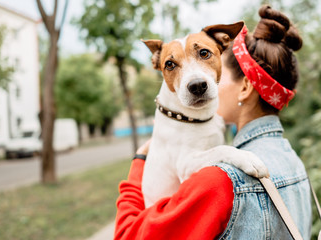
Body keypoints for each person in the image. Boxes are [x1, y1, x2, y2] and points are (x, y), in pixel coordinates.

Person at [114, 5, 312, 240]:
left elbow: (129, 235)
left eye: (210, 60)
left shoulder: (218, 179)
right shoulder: (294, 162)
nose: (197, 80)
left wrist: (138, 165)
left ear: (246, 86)